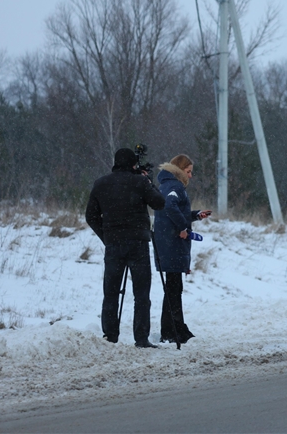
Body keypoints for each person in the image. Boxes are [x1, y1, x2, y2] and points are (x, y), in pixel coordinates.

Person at [86, 148, 165, 348]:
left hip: (114, 244)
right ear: (133, 164)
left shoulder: (101, 183)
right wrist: (148, 182)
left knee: (111, 292)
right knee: (141, 294)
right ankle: (141, 338)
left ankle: (110, 336)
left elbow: (91, 216)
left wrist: (106, 236)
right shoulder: (140, 182)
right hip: (138, 244)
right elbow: (159, 203)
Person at [153, 154, 211, 344]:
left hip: (166, 242)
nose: (190, 176)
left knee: (173, 288)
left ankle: (172, 329)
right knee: (174, 289)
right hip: (173, 244)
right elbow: (170, 207)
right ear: (179, 170)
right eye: (188, 171)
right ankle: (173, 330)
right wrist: (182, 228)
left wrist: (196, 215)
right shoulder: (175, 186)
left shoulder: (165, 185)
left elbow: (175, 210)